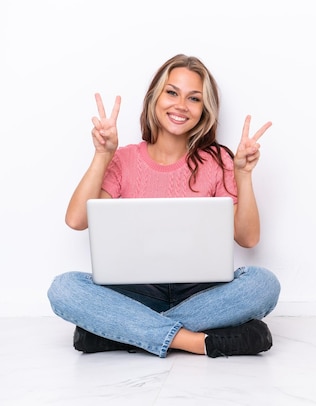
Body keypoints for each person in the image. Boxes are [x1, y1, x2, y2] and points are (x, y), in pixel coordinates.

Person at [47, 54, 281, 358]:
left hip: (201, 292)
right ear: (154, 98)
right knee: (64, 288)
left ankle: (120, 334)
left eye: (194, 98)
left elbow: (248, 239)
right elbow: (76, 220)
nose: (181, 105)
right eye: (172, 92)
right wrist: (103, 155)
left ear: (204, 110)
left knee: (264, 284)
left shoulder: (218, 161)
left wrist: (243, 175)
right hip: (138, 293)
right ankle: (195, 341)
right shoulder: (124, 160)